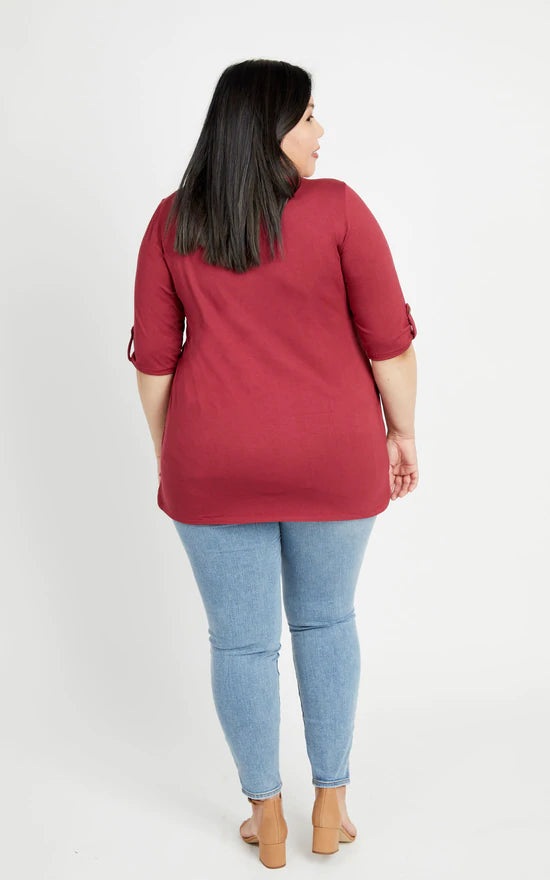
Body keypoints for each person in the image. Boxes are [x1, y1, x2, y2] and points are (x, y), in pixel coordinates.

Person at [127, 59, 418, 868]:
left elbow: (155, 365)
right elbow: (390, 346)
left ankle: (267, 816)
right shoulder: (339, 210)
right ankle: (330, 804)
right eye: (308, 116)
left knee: (241, 644)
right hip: (334, 454)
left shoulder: (173, 220)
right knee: (326, 620)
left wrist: (174, 454)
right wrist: (403, 432)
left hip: (211, 459)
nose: (321, 132)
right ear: (267, 127)